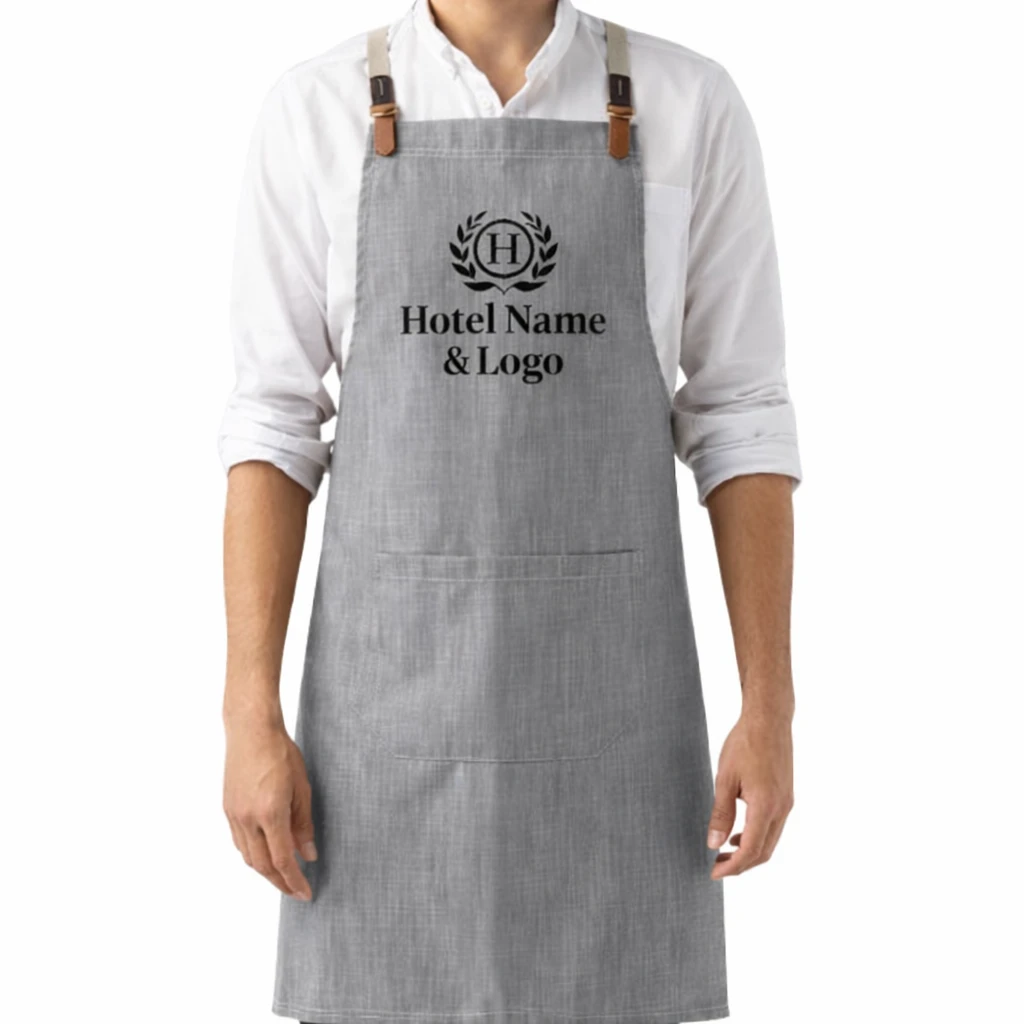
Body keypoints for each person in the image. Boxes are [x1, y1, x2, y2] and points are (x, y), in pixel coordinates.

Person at [219, 2, 800, 1022]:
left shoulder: (688, 104)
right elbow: (272, 428)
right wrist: (247, 714)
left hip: (615, 735)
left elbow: (740, 417)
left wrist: (771, 707)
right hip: (380, 741)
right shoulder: (314, 111)